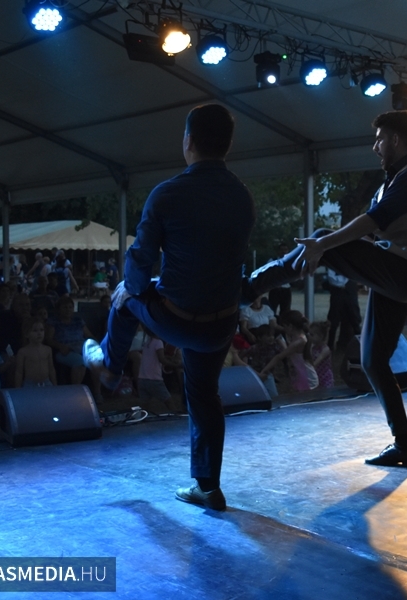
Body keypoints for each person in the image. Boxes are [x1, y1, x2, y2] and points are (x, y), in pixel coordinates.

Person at [246, 110, 407, 469]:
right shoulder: (389, 184)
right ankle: (404, 446)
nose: (375, 147)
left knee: (322, 237)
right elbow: (371, 232)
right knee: (372, 361)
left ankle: (248, 288)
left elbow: (377, 219)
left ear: (395, 140)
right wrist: (328, 251)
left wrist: (324, 245)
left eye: (379, 139)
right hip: (394, 277)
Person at [82, 103, 255, 511]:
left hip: (178, 319)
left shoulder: (167, 193)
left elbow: (139, 268)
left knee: (125, 296)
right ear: (228, 145)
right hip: (221, 324)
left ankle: (110, 366)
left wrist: (133, 288)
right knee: (204, 394)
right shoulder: (242, 196)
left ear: (188, 141)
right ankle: (208, 487)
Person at [260, 310, 317, 392]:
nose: (284, 328)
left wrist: (263, 371)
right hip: (300, 374)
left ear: (290, 326)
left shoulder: (299, 341)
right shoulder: (297, 336)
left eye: (284, 326)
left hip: (306, 376)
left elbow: (278, 357)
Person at [240, 324, 284, 398]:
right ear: (260, 337)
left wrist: (281, 342)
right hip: (255, 374)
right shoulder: (254, 348)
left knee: (273, 395)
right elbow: (243, 355)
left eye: (272, 335)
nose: (271, 338)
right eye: (268, 336)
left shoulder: (275, 347)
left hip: (267, 374)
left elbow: (284, 354)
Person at [14, 317, 56, 388]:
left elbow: (51, 369)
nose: (39, 333)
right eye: (35, 330)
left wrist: (55, 385)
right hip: (30, 384)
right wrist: (17, 388)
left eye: (41, 330)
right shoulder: (23, 352)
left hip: (46, 383)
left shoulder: (48, 349)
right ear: (26, 334)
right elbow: (19, 372)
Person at [267, 243, 292, 318]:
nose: (283, 252)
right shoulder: (272, 261)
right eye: (282, 250)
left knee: (286, 311)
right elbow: (268, 274)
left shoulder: (291, 261)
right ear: (278, 251)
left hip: (286, 289)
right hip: (275, 289)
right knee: (272, 309)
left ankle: (284, 324)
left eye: (285, 250)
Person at [308, 320, 334, 389]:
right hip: (316, 377)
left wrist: (307, 369)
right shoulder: (312, 347)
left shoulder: (325, 350)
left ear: (321, 336)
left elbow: (316, 362)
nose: (309, 336)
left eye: (312, 335)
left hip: (325, 378)